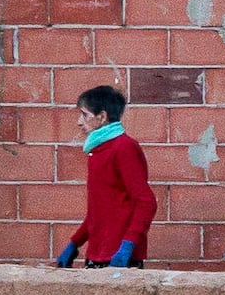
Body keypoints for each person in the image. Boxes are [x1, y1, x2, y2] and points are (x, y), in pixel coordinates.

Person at [60, 82, 157, 268]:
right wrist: (75, 242)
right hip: (98, 254)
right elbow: (101, 210)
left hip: (119, 257)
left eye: (84, 114)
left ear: (102, 116)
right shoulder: (97, 150)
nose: (79, 122)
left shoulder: (123, 147)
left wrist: (128, 244)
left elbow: (146, 202)